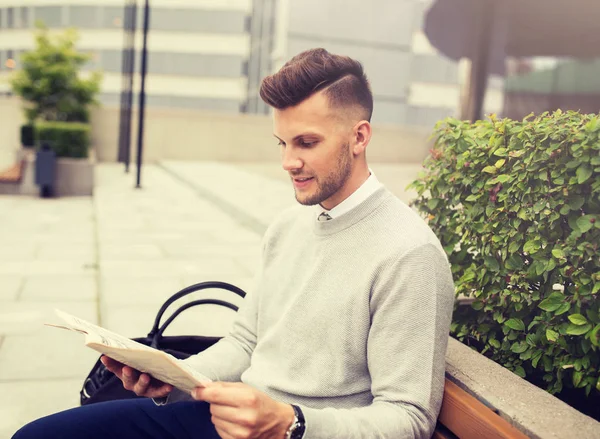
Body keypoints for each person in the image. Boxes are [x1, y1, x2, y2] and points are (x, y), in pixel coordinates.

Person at [13, 48, 455, 439]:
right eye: (282, 142)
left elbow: (409, 418)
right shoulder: (289, 226)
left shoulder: (409, 254)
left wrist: (291, 424)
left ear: (360, 137)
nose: (288, 162)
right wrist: (175, 377)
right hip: (225, 420)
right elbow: (245, 342)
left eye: (306, 142)